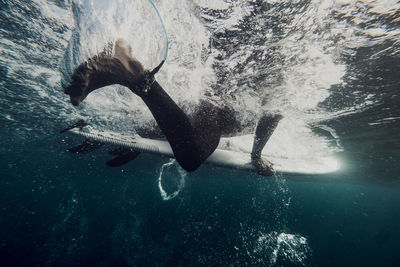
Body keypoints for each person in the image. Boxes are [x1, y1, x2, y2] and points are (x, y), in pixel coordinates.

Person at [64, 39, 282, 176]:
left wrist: (136, 145)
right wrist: (256, 156)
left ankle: (113, 69)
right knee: (191, 156)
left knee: (155, 130)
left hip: (207, 103)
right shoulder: (281, 84)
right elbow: (273, 113)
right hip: (216, 106)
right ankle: (134, 75)